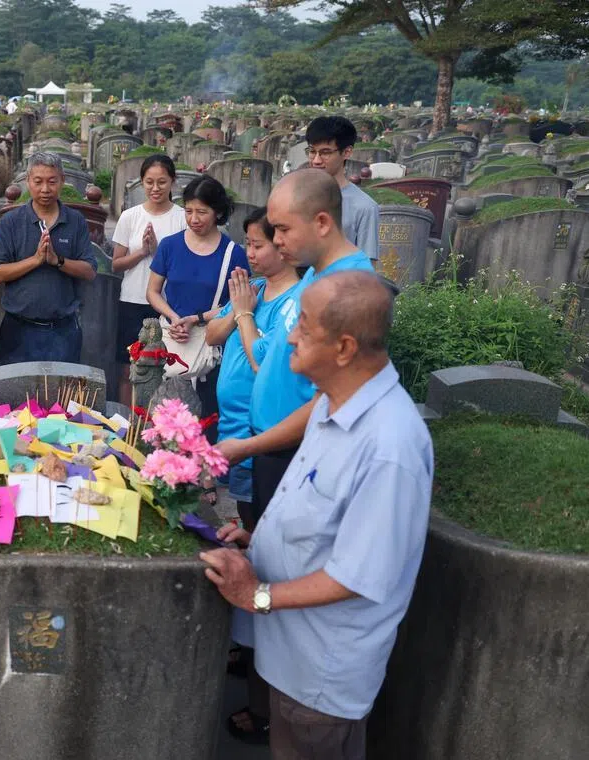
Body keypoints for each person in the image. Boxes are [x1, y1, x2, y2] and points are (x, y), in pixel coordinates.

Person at [202, 270, 433, 760]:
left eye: (303, 327)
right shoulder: (334, 404)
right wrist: (259, 542)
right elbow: (324, 516)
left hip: (319, 675)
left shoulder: (390, 445)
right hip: (289, 656)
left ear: (344, 348)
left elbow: (359, 575)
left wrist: (256, 595)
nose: (289, 337)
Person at [216, 168, 375, 743]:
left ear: (322, 222)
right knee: (267, 555)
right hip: (274, 448)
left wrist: (250, 444)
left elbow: (326, 400)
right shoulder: (317, 277)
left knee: (290, 586)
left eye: (281, 230)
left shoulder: (348, 288)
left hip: (289, 450)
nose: (275, 241)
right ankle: (272, 698)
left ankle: (280, 709)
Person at [205, 207, 299, 522]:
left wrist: (244, 314)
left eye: (258, 245)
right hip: (230, 424)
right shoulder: (252, 288)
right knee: (243, 511)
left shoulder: (293, 301)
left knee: (256, 514)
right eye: (247, 244)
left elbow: (261, 360)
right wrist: (238, 309)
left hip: (258, 430)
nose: (250, 253)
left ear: (282, 246)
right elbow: (212, 335)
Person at [146, 174, 248, 424]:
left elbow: (238, 303)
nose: (193, 219)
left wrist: (196, 319)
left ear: (218, 212)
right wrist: (175, 318)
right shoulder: (170, 246)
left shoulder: (233, 254)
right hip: (170, 338)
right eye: (189, 211)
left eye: (202, 212)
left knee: (202, 421)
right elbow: (153, 291)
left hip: (210, 345)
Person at [0, 152, 97, 364]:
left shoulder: (75, 221)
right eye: (38, 182)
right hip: (18, 328)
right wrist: (35, 260)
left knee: (64, 385)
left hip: (64, 328)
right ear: (28, 181)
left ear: (62, 180)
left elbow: (90, 271)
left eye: (52, 181)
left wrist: (58, 261)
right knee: (17, 385)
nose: (45, 189)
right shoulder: (11, 222)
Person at [111, 153, 187, 406]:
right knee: (128, 367)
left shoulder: (182, 218)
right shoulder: (130, 216)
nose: (155, 188)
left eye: (162, 182)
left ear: (173, 182)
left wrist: (157, 252)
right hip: (132, 299)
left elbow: (184, 267)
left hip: (167, 304)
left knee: (165, 367)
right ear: (141, 182)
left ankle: (160, 420)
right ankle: (126, 419)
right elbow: (116, 263)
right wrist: (143, 252)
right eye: (149, 182)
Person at [303, 116, 380, 263]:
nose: (316, 160)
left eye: (325, 153)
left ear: (346, 152)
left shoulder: (365, 207)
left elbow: (366, 268)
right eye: (312, 151)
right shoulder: (296, 196)